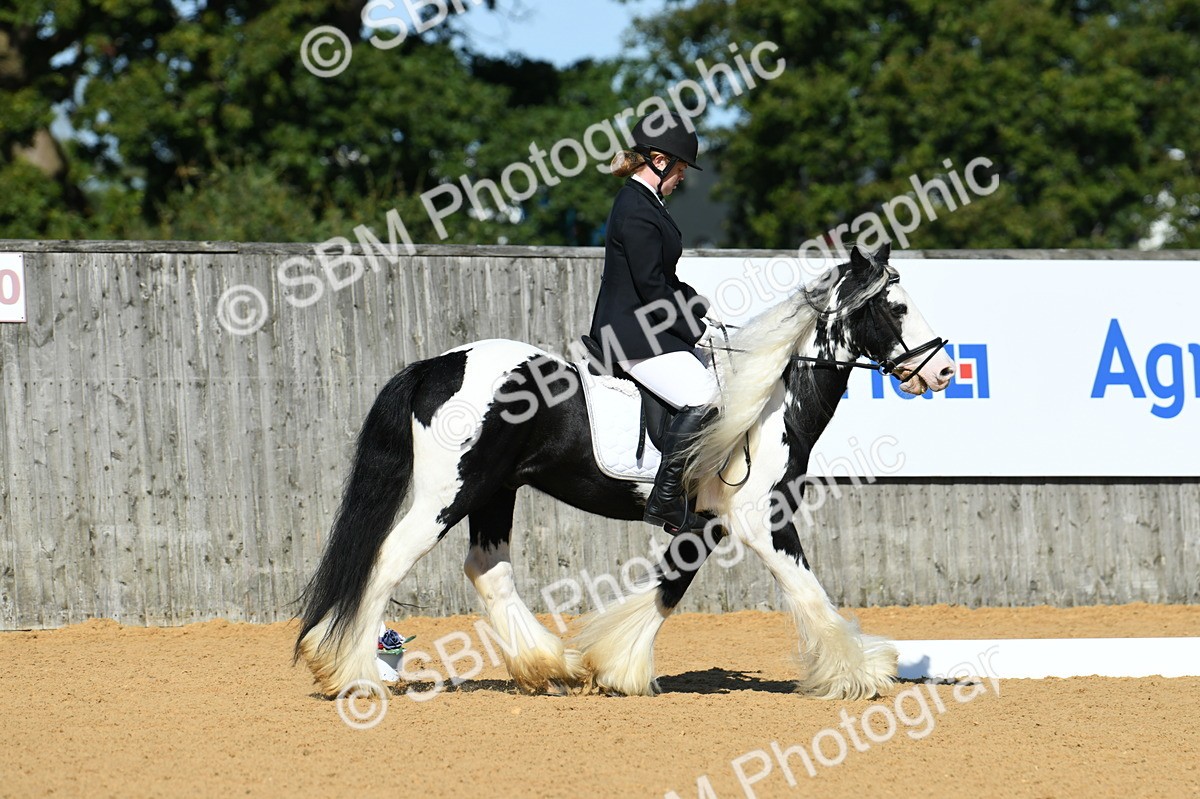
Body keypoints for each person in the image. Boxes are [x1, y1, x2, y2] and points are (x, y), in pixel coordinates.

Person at [588, 111, 720, 533]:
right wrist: (694, 328)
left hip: (645, 329)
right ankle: (665, 500)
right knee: (706, 397)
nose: (683, 177)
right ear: (660, 161)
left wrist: (698, 304)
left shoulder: (648, 203)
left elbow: (665, 280)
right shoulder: (638, 209)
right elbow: (650, 288)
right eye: (680, 167)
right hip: (631, 337)